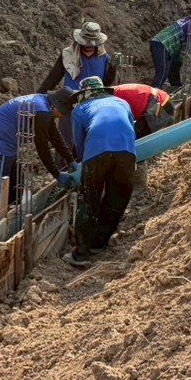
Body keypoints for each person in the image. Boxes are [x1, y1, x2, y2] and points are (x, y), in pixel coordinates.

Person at [66, 78, 137, 267]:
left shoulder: (79, 110)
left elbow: (79, 145)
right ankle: (99, 242)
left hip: (96, 152)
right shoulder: (122, 102)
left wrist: (85, 169)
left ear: (84, 94)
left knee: (88, 200)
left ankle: (81, 254)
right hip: (127, 151)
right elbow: (131, 129)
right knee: (118, 197)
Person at [0, 89, 75, 224]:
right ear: (58, 105)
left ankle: (9, 221)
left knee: (15, 187)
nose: (63, 117)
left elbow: (54, 135)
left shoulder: (44, 104)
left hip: (8, 146)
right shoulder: (41, 111)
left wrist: (70, 160)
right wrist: (57, 174)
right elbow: (42, 147)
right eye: (64, 113)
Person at [38, 21, 116, 93]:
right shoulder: (68, 55)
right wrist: (39, 94)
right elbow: (53, 78)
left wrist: (113, 69)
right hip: (72, 97)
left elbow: (106, 83)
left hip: (94, 98)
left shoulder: (104, 58)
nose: (89, 46)